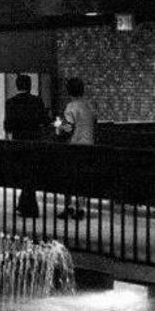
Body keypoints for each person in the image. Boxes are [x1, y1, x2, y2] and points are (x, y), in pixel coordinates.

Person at [4, 73, 50, 219]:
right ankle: (28, 206)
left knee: (24, 174)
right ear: (30, 86)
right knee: (31, 174)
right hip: (34, 143)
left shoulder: (10, 103)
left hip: (19, 143)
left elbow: (8, 126)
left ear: (17, 85)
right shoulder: (37, 101)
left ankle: (25, 206)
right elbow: (45, 121)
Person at [56, 77, 96, 219]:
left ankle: (69, 207)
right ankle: (81, 207)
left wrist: (58, 127)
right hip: (89, 145)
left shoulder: (71, 107)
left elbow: (67, 128)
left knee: (70, 178)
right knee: (83, 178)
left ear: (69, 91)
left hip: (74, 146)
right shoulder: (89, 106)